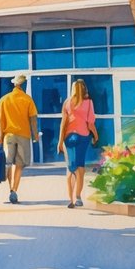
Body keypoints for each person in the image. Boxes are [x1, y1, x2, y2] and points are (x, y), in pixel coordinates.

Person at [0, 74, 39, 204]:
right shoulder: (28, 100)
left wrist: (0, 137)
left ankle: (10, 188)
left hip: (9, 135)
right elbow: (33, 120)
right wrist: (35, 136)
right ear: (24, 85)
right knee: (19, 165)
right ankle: (14, 190)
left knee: (8, 163)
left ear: (14, 84)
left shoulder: (4, 99)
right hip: (24, 136)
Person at [58, 78, 99, 209]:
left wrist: (60, 142)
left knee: (70, 168)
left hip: (69, 137)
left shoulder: (67, 103)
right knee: (80, 168)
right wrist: (96, 136)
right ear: (84, 89)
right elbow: (90, 123)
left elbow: (63, 124)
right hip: (83, 136)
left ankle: (70, 199)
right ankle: (78, 197)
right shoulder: (89, 103)